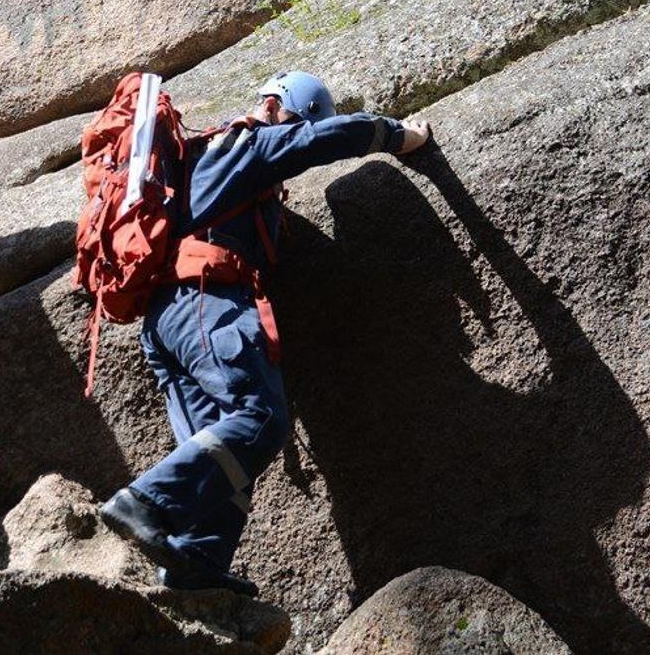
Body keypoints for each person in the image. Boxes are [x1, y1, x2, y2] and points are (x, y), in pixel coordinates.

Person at [98, 71, 433, 595]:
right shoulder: (244, 142)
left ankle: (195, 563)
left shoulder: (202, 159)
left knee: (219, 452)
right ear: (277, 106)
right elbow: (323, 139)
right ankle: (143, 502)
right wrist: (398, 134)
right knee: (262, 419)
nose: (293, 133)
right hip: (206, 303)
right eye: (295, 120)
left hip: (167, 320)